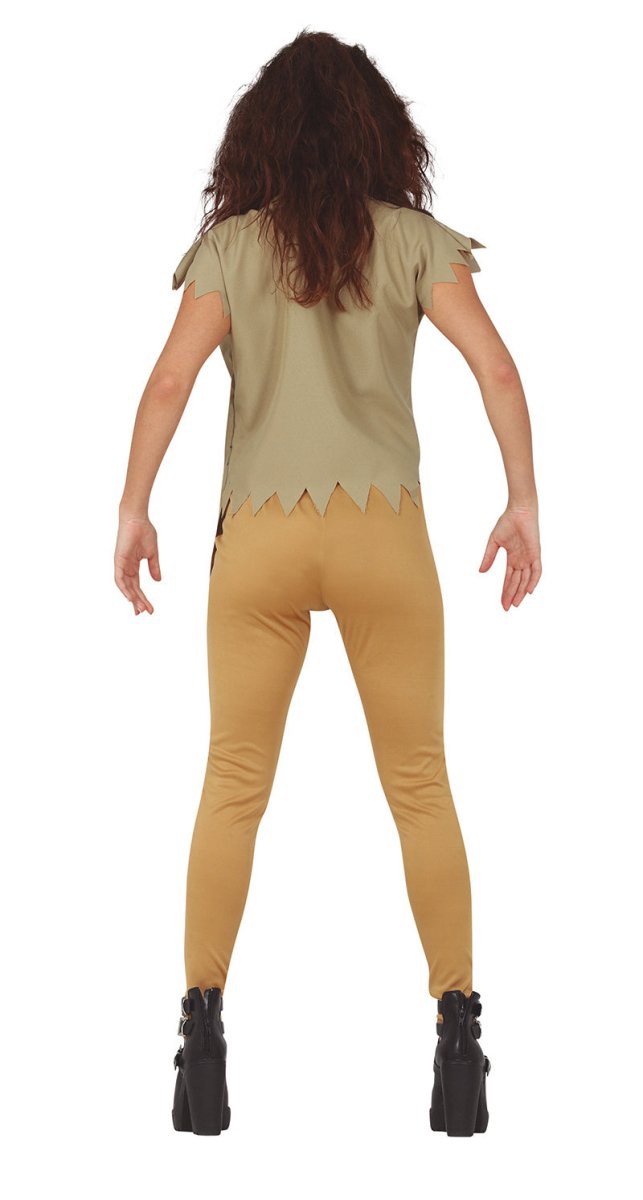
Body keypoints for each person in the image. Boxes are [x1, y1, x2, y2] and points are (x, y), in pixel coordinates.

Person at [114, 30, 541, 1138]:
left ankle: (200, 1037)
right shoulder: (412, 241)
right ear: (378, 133)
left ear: (257, 136)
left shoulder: (230, 249)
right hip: (381, 536)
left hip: (257, 539)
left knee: (232, 781)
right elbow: (496, 369)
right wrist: (521, 499)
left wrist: (134, 507)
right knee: (420, 784)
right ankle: (459, 1040)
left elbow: (168, 383)